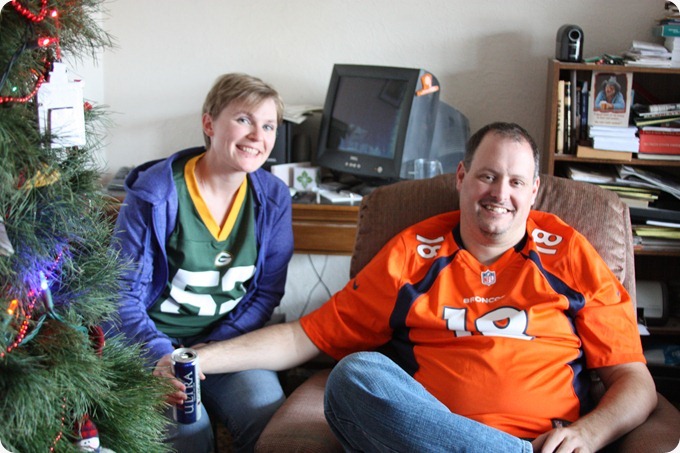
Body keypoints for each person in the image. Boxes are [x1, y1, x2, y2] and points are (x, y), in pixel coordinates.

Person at [162, 122, 657, 452]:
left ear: (534, 190)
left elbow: (634, 381)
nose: (499, 194)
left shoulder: (567, 252)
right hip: (420, 442)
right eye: (487, 176)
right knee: (353, 376)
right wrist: (198, 359)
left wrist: (590, 434)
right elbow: (303, 337)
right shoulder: (415, 251)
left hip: (545, 440)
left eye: (514, 182)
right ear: (462, 177)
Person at [108, 73, 294, 452]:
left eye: (268, 125)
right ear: (209, 123)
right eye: (243, 119)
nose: (257, 136)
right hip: (151, 345)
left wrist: (214, 351)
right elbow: (120, 294)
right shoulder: (156, 193)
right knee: (187, 424)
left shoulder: (274, 197)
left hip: (226, 342)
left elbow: (266, 293)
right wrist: (161, 356)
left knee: (265, 410)